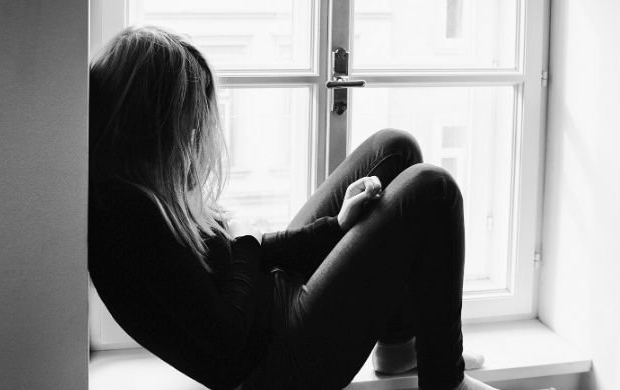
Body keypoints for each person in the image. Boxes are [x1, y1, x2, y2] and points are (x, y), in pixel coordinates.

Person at [88, 25, 498, 390]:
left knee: (393, 149)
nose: (195, 134)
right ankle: (447, 380)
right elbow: (227, 337)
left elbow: (236, 263)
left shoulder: (139, 187)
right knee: (433, 189)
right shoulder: (126, 217)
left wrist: (336, 226)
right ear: (152, 122)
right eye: (189, 120)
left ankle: (397, 345)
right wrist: (245, 243)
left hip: (274, 305)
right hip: (278, 364)